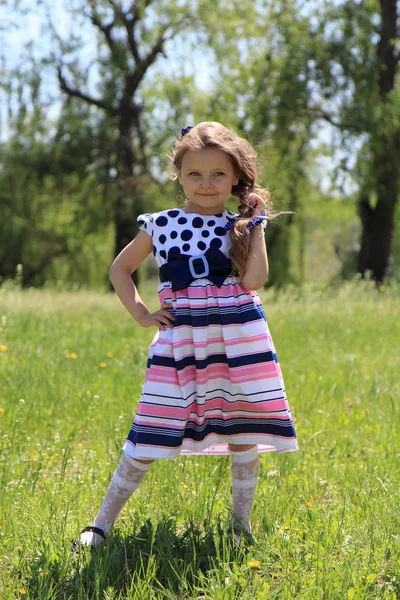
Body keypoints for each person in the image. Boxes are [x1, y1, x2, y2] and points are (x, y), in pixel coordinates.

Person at [79, 121, 298, 548]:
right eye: (195, 173)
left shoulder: (242, 225)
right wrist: (143, 314)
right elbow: (119, 270)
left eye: (218, 174)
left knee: (243, 431)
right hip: (181, 342)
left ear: (235, 176)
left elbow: (254, 280)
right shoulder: (159, 224)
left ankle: (240, 526)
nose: (206, 183)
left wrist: (257, 224)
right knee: (150, 428)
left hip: (239, 341)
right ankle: (100, 524)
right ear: (178, 175)